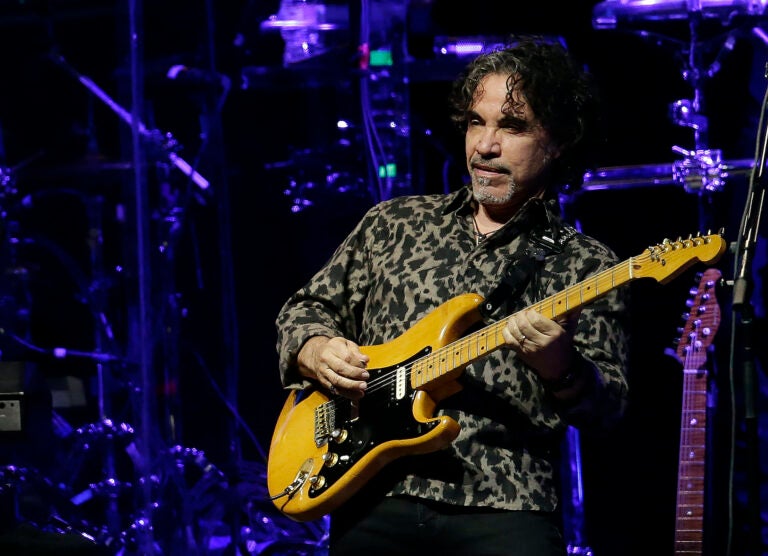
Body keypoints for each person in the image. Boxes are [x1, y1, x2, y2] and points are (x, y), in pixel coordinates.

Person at [273, 35, 630, 555]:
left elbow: (608, 412)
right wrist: (315, 349)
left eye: (512, 127)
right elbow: (303, 311)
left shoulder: (586, 265)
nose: (485, 146)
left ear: (557, 140)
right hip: (375, 493)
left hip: (506, 505)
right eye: (475, 123)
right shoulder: (394, 223)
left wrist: (561, 367)